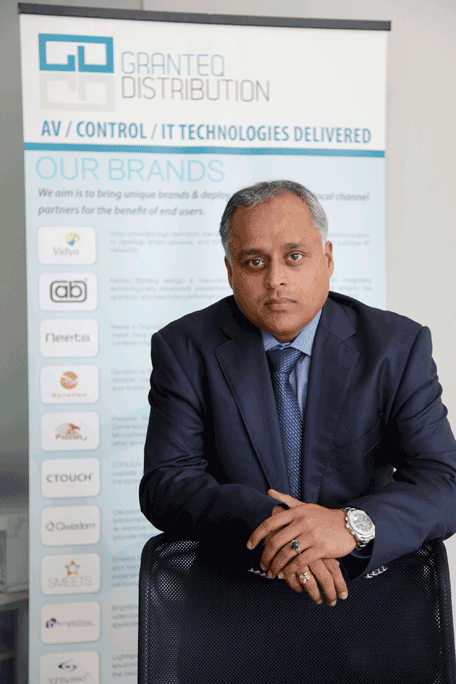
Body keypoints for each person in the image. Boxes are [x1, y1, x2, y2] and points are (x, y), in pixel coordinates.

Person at [140, 180, 456, 683]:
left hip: (374, 617)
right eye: (254, 262)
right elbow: (166, 485)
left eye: (294, 257)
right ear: (230, 270)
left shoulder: (396, 346)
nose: (276, 280)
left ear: (327, 259)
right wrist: (280, 528)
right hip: (232, 623)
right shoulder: (185, 348)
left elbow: (443, 483)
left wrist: (350, 525)